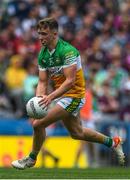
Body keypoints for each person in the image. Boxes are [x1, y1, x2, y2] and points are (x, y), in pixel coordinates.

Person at [11, 17, 125, 169]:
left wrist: (50, 98)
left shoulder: (68, 51)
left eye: (44, 34)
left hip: (75, 95)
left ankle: (31, 159)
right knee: (77, 133)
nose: (40, 37)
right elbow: (43, 81)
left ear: (55, 33)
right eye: (39, 33)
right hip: (62, 97)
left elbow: (70, 81)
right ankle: (113, 142)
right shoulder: (43, 54)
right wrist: (38, 100)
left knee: (38, 124)